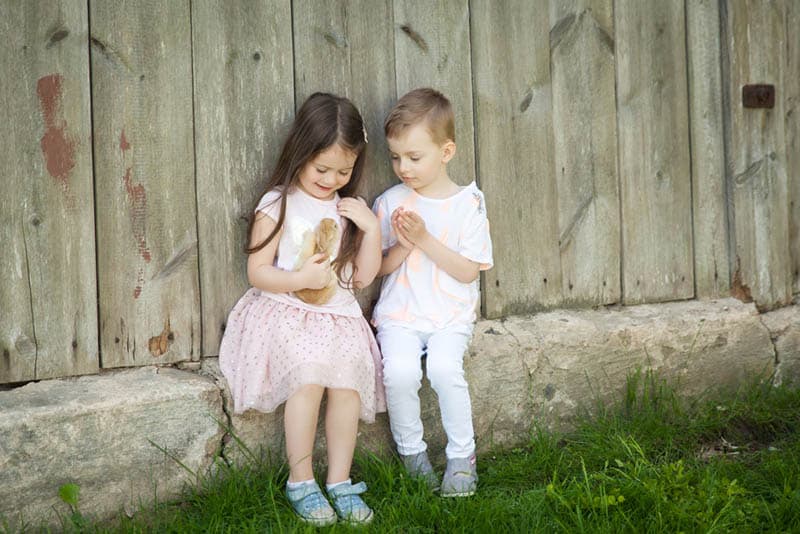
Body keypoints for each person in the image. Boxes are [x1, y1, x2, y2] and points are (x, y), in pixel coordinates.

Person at [219, 92, 385, 526]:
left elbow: (363, 277)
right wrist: (300, 281)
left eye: (343, 171)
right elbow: (258, 271)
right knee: (309, 378)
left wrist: (370, 230)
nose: (331, 179)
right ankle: (302, 481)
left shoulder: (349, 208)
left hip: (338, 314)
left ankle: (340, 481)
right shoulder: (279, 202)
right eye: (322, 168)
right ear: (301, 153)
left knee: (347, 384)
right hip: (286, 308)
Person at [372, 88, 493, 497]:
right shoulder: (390, 202)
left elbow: (467, 272)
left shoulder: (469, 204)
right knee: (400, 373)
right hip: (401, 312)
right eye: (395, 157)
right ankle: (412, 455)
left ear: (446, 151)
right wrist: (404, 245)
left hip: (449, 313)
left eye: (414, 157)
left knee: (443, 370)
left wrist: (423, 239)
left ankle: (462, 457)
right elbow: (380, 268)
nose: (403, 167)